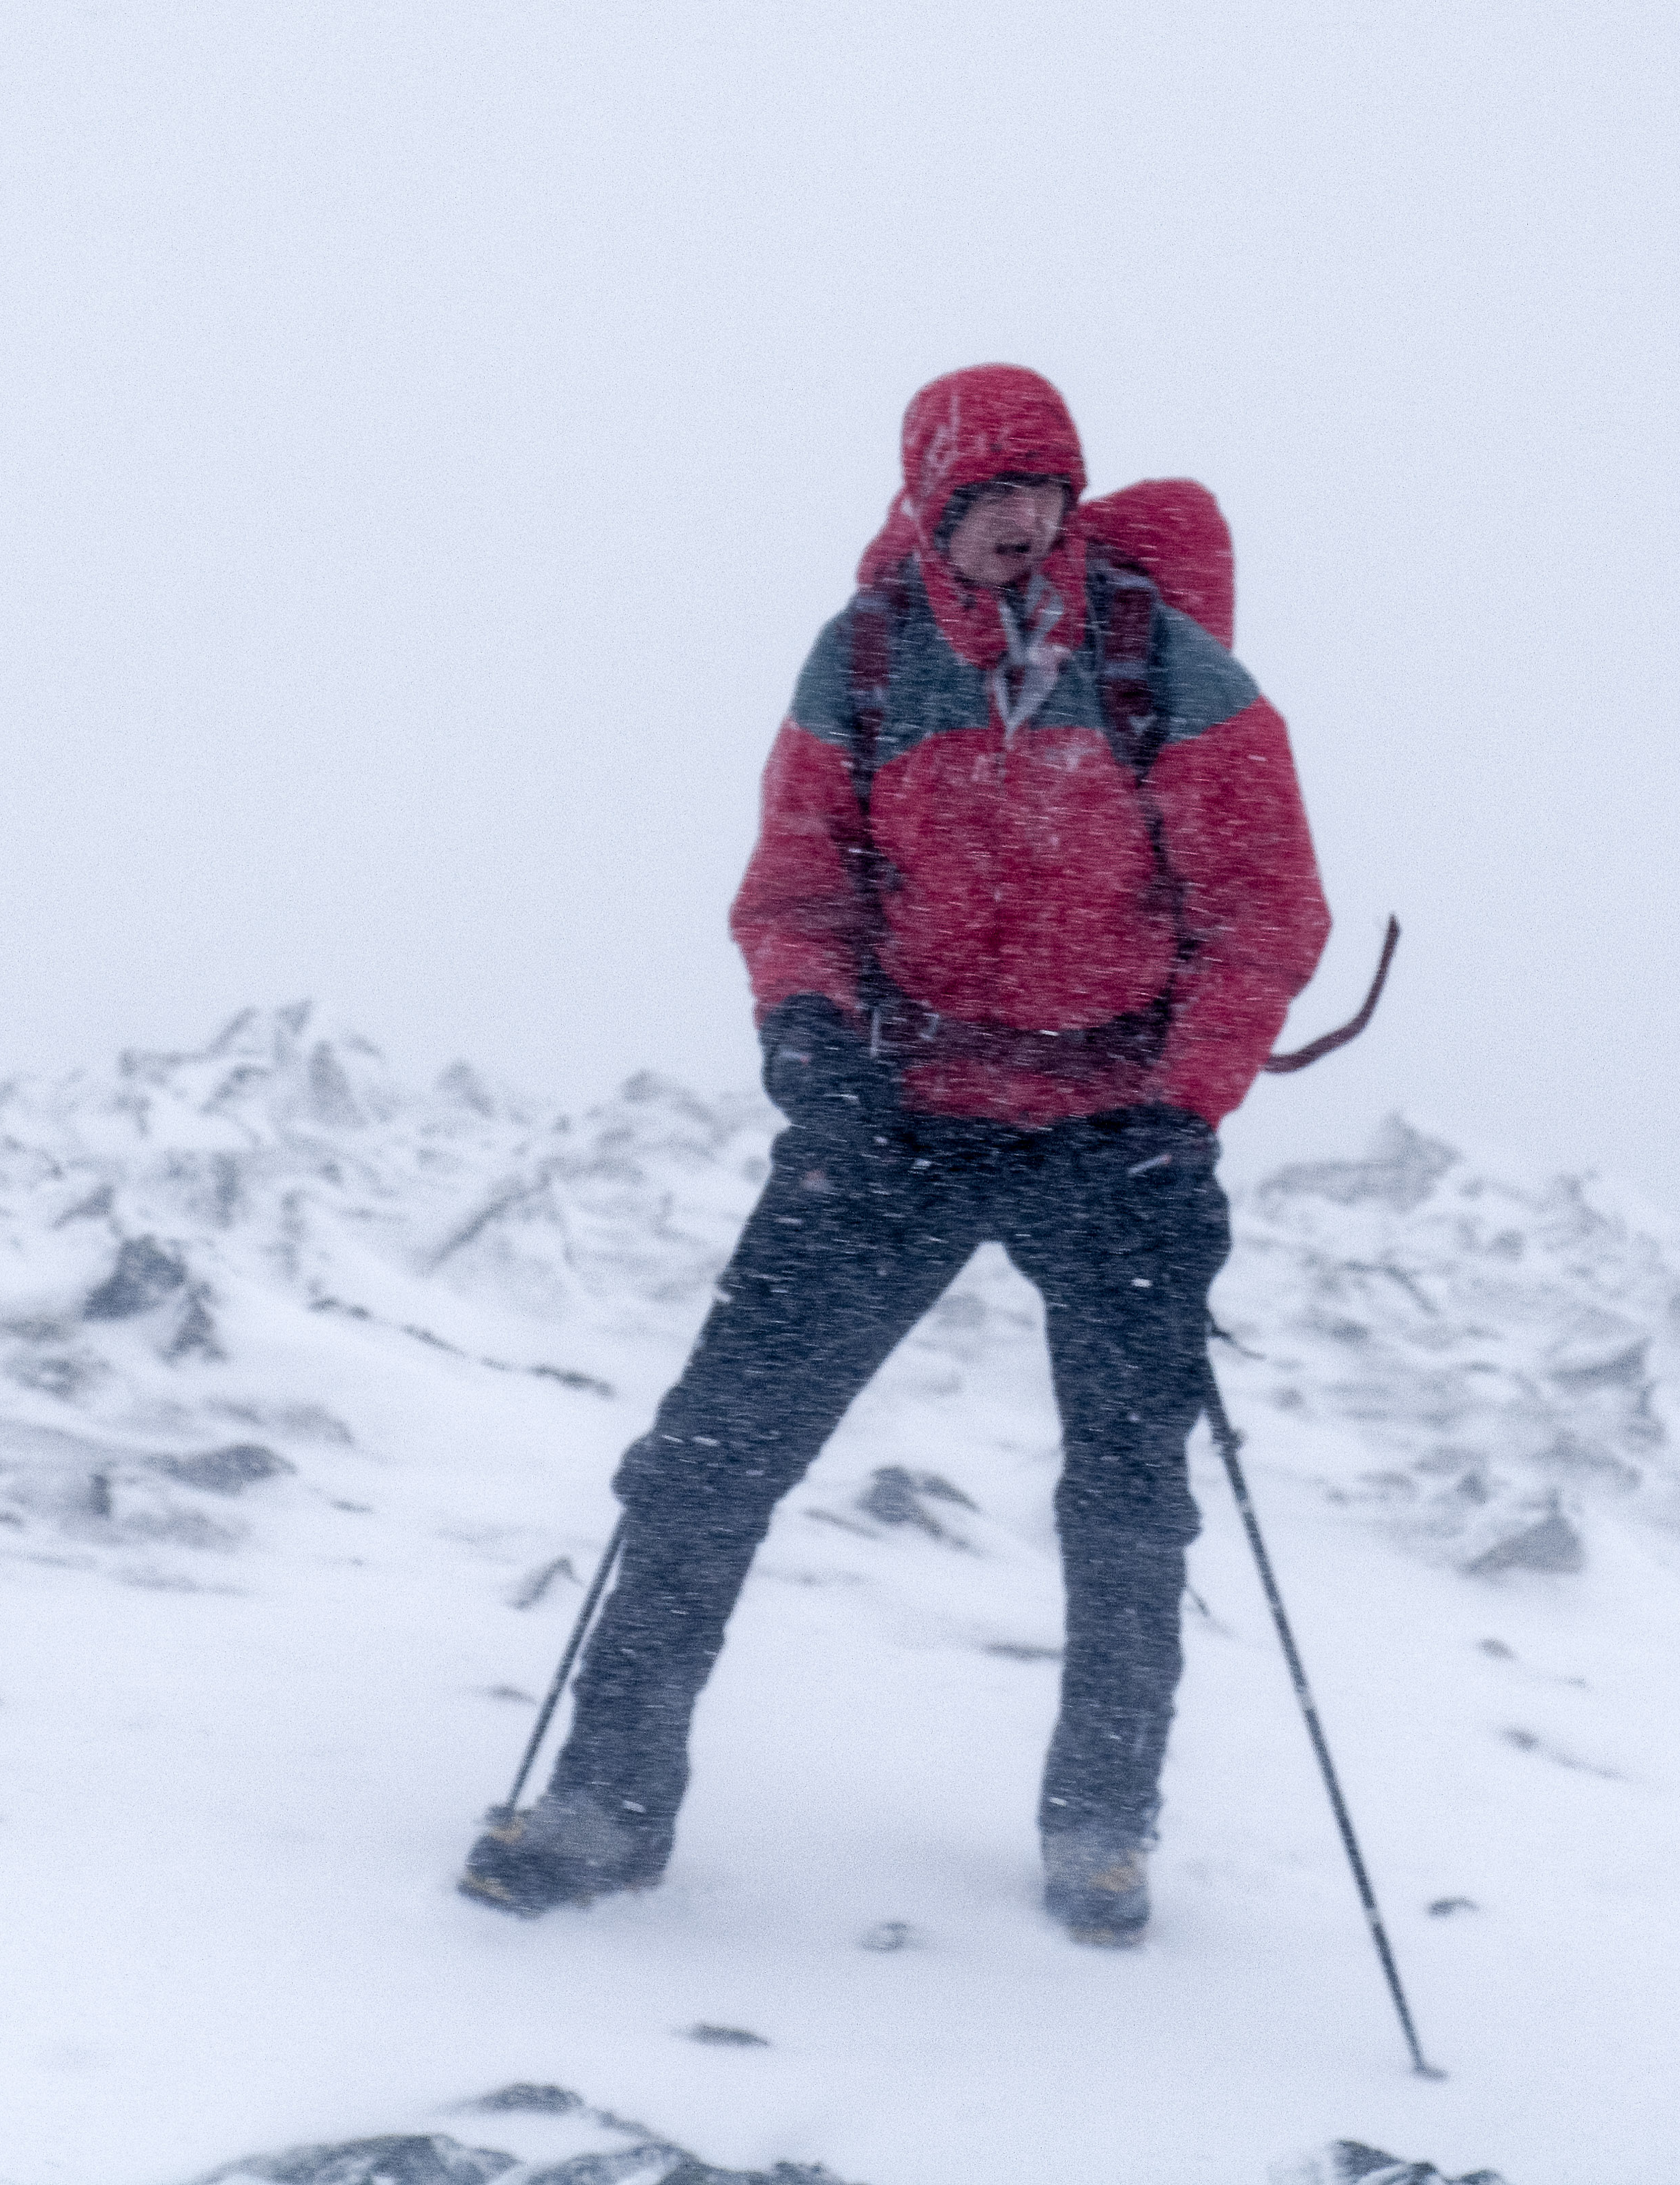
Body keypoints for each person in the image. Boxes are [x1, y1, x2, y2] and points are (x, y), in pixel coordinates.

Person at [462, 364, 1330, 1945]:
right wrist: (807, 1030)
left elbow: (1265, 906)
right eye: (986, 496)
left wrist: (1181, 1103)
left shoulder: (1160, 663)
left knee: (1128, 1501)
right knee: (709, 1457)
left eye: (1042, 493)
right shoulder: (863, 657)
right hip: (900, 1115)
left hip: (1114, 1132)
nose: (1020, 521)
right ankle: (604, 1806)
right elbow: (799, 885)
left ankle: (1101, 1829)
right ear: (928, 506)